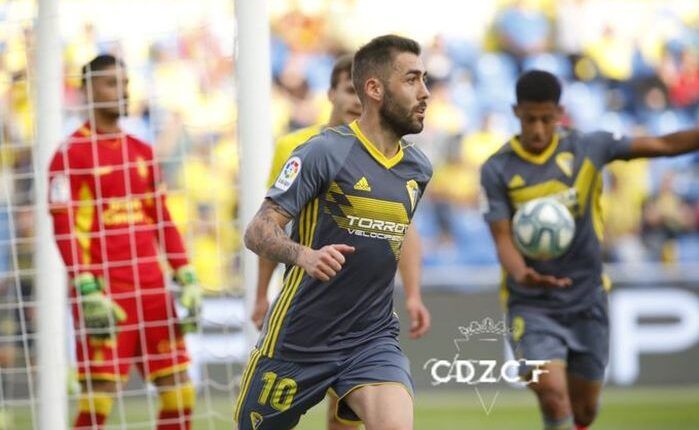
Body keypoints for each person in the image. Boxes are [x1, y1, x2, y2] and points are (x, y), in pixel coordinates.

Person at [480, 69, 699, 430]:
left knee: (584, 411)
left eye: (546, 119)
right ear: (516, 112)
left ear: (559, 113)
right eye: (530, 119)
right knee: (552, 393)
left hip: (587, 299)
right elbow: (502, 237)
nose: (537, 129)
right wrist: (523, 273)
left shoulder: (587, 148)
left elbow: (662, 145)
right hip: (531, 302)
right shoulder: (498, 168)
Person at [237, 34, 431, 430]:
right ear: (374, 89)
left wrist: (412, 293)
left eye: (424, 80)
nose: (425, 92)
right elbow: (257, 230)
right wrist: (302, 255)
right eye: (412, 80)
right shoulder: (322, 151)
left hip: (370, 338)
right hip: (298, 341)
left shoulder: (418, 169)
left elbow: (401, 237)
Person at [48, 54, 201, 430]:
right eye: (111, 84)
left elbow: (162, 218)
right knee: (98, 398)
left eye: (125, 83)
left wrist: (185, 273)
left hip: (152, 288)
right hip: (105, 291)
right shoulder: (70, 155)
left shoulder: (142, 151)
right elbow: (64, 226)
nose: (122, 91)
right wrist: (84, 283)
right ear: (87, 91)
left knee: (180, 393)